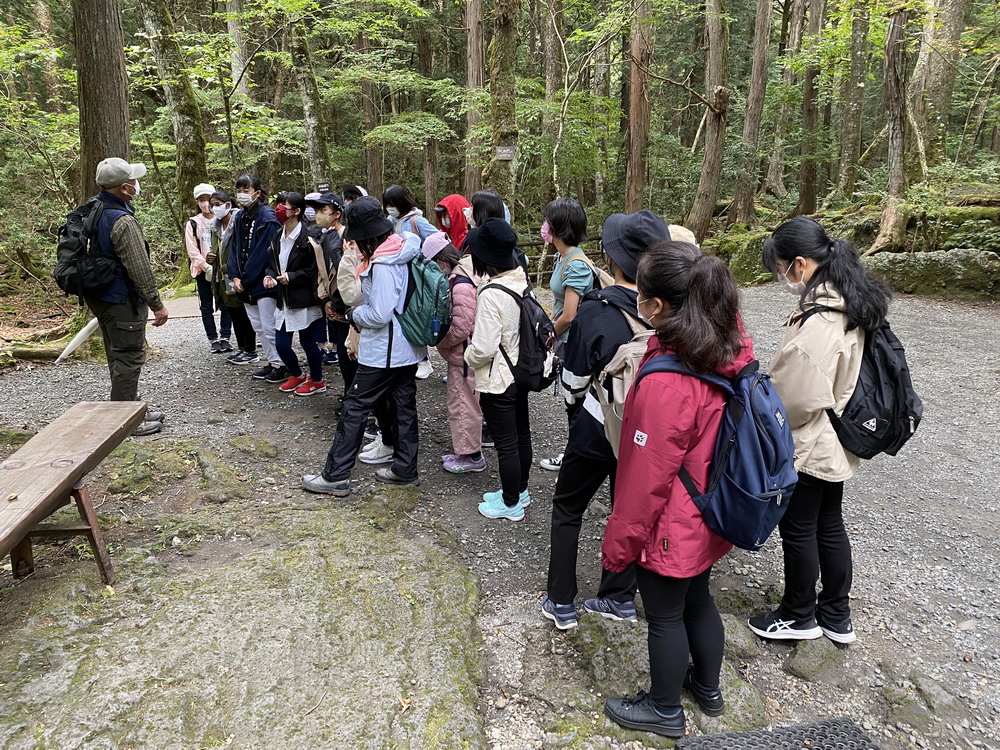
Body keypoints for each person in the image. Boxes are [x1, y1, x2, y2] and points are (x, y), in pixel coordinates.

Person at [601, 241, 753, 739]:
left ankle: (664, 708)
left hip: (675, 518)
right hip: (711, 506)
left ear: (658, 307)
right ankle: (707, 688)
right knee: (699, 598)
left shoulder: (669, 382)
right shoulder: (724, 346)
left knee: (664, 614)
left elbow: (646, 479)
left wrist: (619, 544)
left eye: (641, 294)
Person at [748, 216, 888, 646]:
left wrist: (761, 414)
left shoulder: (823, 320)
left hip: (812, 440)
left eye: (782, 267)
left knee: (799, 528)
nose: (782, 277)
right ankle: (836, 614)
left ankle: (797, 614)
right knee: (829, 523)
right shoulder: (850, 302)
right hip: (838, 437)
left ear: (802, 264)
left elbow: (795, 396)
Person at [541, 210, 671, 631]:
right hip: (648, 431)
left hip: (598, 427)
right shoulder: (673, 309)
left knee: (568, 507)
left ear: (613, 260)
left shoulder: (598, 310)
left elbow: (575, 379)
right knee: (627, 508)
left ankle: (561, 601)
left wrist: (576, 406)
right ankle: (618, 595)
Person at [302, 196, 426, 497]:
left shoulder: (383, 263)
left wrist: (352, 314)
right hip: (407, 346)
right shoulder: (404, 248)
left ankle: (335, 474)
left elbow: (379, 314)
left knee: (355, 406)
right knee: (404, 408)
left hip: (384, 350)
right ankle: (405, 468)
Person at [85, 157, 169, 436]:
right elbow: (139, 267)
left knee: (116, 353)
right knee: (129, 356)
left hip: (100, 296)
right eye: (133, 180)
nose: (137, 184)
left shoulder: (92, 209)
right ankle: (125, 422)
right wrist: (157, 305)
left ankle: (129, 406)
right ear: (124, 187)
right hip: (121, 299)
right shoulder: (122, 220)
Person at [464, 218, 533, 521]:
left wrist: (468, 356)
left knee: (506, 443)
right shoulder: (519, 278)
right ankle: (520, 490)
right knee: (520, 434)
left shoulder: (491, 292)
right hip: (520, 370)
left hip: (498, 378)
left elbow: (483, 347)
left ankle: (510, 503)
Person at [423, 232, 484, 473]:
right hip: (469, 353)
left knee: (463, 404)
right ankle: (465, 451)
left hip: (464, 355)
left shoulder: (460, 282)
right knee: (465, 402)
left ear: (440, 259)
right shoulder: (471, 269)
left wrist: (441, 342)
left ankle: (470, 456)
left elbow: (461, 326)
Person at [539, 197, 593, 473]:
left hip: (574, 344)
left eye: (547, 220)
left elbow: (570, 314)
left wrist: (548, 335)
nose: (543, 226)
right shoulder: (562, 257)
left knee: (577, 403)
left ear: (559, 227)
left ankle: (574, 460)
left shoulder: (576, 264)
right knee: (574, 403)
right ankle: (575, 456)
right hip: (565, 340)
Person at [264, 192, 326, 396]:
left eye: (285, 205)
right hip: (284, 299)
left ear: (297, 211)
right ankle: (298, 374)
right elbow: (273, 263)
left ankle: (317, 380)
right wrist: (270, 275)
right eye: (278, 204)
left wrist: (290, 276)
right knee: (281, 344)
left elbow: (314, 270)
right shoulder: (277, 235)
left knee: (308, 343)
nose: (279, 209)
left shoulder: (308, 237)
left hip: (304, 300)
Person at [227, 174, 285, 383]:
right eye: (239, 190)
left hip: (263, 282)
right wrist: (234, 275)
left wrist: (247, 279)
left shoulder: (267, 218)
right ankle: (272, 362)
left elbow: (263, 254)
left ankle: (281, 363)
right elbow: (233, 248)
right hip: (244, 283)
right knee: (258, 326)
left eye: (246, 190)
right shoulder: (240, 217)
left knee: (269, 326)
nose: (242, 195)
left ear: (257, 193)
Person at [209, 190, 257, 364]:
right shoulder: (215, 227)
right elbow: (216, 249)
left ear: (228, 205)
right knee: (233, 312)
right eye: (212, 204)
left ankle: (251, 349)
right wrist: (211, 256)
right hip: (222, 277)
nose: (215, 208)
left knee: (244, 311)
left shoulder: (238, 223)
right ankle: (242, 348)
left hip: (236, 274)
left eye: (217, 204)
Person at [308, 193, 351, 382]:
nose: (318, 215)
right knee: (343, 355)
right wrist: (325, 299)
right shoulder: (323, 239)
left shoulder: (348, 238)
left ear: (336, 214)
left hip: (349, 306)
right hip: (333, 305)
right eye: (317, 210)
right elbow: (321, 273)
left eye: (323, 210)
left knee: (350, 354)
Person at [186, 183, 232, 353]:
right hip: (202, 270)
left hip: (222, 269)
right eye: (201, 200)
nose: (206, 204)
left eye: (208, 200)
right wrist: (205, 266)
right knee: (206, 305)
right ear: (197, 202)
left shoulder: (223, 220)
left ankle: (225, 336)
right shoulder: (193, 223)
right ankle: (213, 338)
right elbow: (192, 249)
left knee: (226, 303)